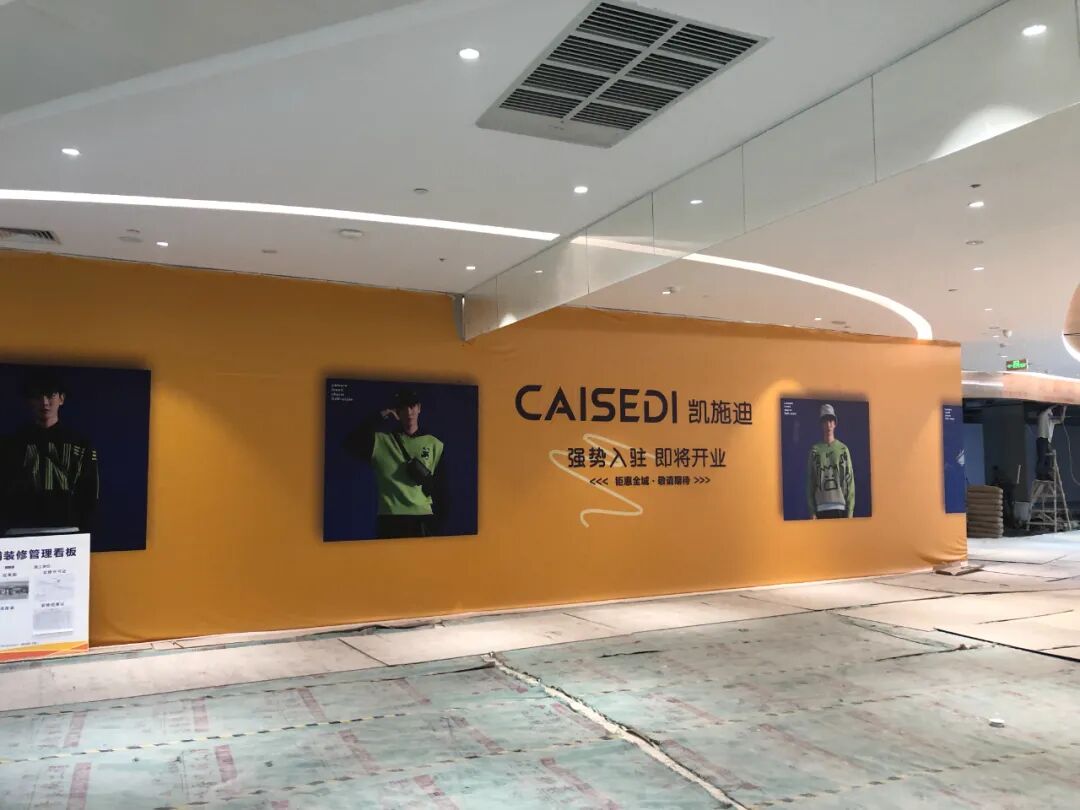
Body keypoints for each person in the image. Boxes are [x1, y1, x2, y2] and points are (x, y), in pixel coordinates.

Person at [0, 371, 99, 535]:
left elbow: (90, 493)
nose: (44, 402)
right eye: (37, 396)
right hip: (20, 531)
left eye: (50, 395)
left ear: (61, 398)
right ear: (29, 401)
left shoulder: (81, 444)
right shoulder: (11, 444)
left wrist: (85, 532)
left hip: (69, 530)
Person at [343, 387, 447, 539]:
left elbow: (442, 489)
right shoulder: (381, 442)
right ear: (397, 411)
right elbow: (350, 441)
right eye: (403, 407)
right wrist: (381, 415)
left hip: (422, 518)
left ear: (419, 408)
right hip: (390, 519)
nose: (409, 412)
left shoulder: (434, 444)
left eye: (412, 406)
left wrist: (438, 527)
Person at [806, 403, 855, 519]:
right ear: (821, 424)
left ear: (835, 423)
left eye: (830, 421)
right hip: (820, 509)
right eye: (825, 421)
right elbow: (810, 482)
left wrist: (850, 512)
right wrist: (812, 511)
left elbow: (850, 482)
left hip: (840, 508)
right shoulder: (815, 451)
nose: (828, 425)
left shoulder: (843, 449)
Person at [1036, 405, 1063, 481]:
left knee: (1047, 460)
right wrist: (1057, 405)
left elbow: (1061, 420)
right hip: (1042, 439)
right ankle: (1040, 476)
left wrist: (1064, 409)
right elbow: (1049, 410)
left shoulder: (1050, 419)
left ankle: (1045, 475)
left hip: (1046, 440)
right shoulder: (1045, 415)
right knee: (1042, 459)